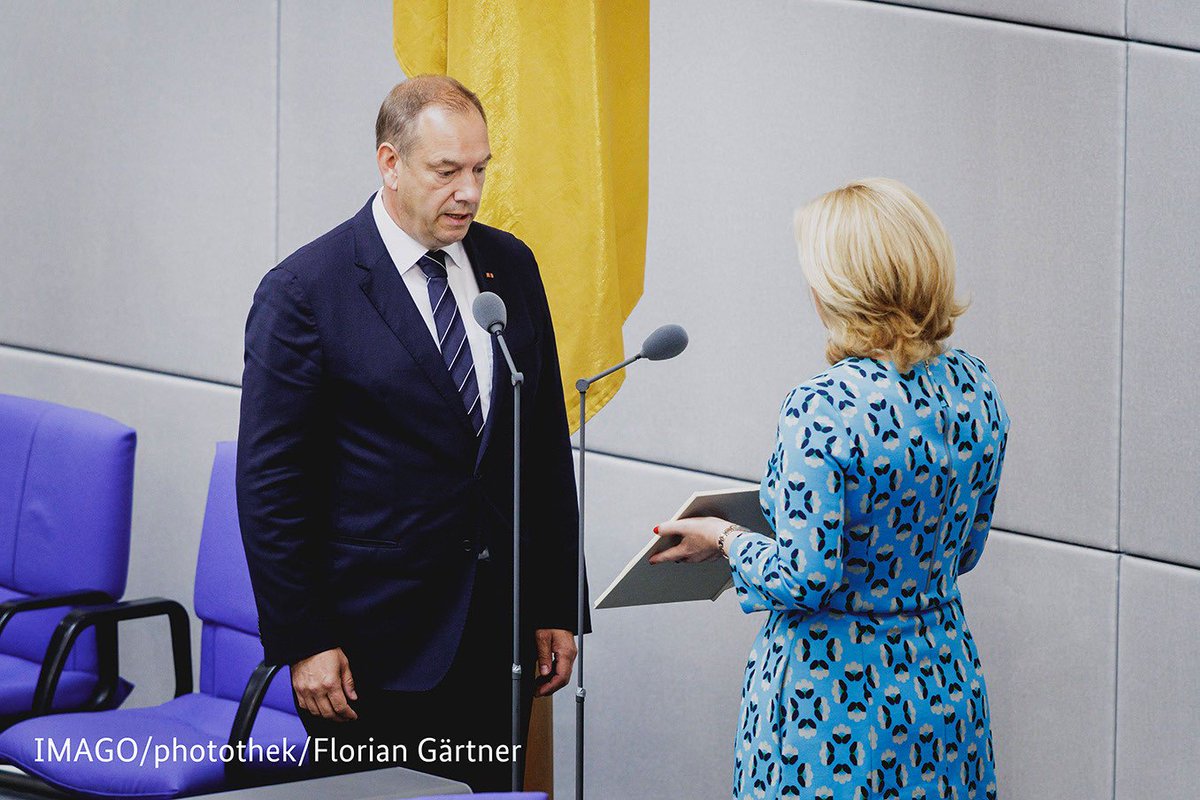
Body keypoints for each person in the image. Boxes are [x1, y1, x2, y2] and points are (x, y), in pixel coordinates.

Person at [235, 75, 584, 791]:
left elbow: (542, 443)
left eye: (481, 169)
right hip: (371, 654)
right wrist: (305, 641)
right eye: (446, 171)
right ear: (390, 164)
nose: (469, 192)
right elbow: (271, 487)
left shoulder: (510, 267)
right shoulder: (306, 291)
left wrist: (554, 605)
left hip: (498, 642)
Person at [653, 178, 1010, 800]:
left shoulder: (821, 407)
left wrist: (726, 538)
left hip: (831, 696)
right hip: (940, 682)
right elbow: (967, 550)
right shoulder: (974, 384)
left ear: (842, 288)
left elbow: (804, 577)